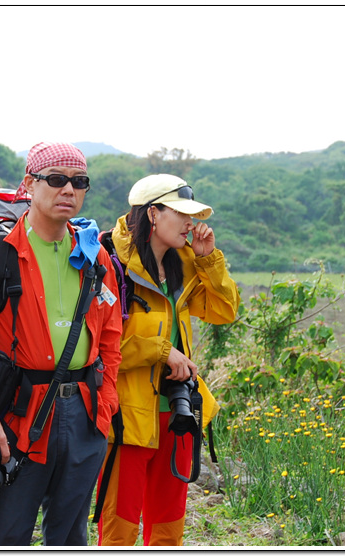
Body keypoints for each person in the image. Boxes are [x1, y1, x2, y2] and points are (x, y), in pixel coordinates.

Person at [0, 142, 122, 546]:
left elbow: (110, 337)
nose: (68, 190)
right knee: (5, 533)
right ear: (29, 184)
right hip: (17, 414)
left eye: (79, 182)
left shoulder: (95, 257)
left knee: (71, 536)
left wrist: (105, 405)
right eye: (56, 180)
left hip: (86, 411)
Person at [97, 173, 240, 546]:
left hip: (177, 411)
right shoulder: (111, 264)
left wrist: (208, 260)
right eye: (181, 213)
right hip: (127, 416)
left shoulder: (183, 264)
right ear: (153, 214)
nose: (191, 223)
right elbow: (98, 349)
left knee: (168, 523)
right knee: (120, 525)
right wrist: (161, 350)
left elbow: (224, 311)